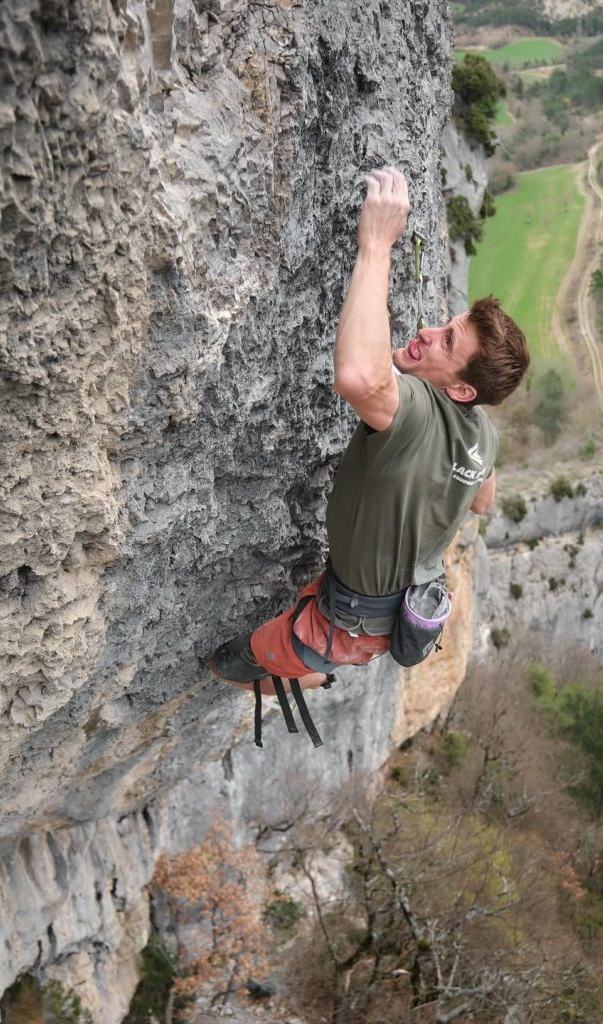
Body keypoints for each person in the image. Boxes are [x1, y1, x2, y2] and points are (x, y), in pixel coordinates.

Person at [209, 167, 530, 743]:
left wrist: (376, 244)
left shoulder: (414, 408)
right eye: (446, 325)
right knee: (317, 644)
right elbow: (481, 501)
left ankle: (308, 673)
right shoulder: (485, 433)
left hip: (349, 621)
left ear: (460, 389)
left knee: (233, 661)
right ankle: (324, 665)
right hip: (397, 610)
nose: (429, 333)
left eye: (447, 342)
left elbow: (360, 376)